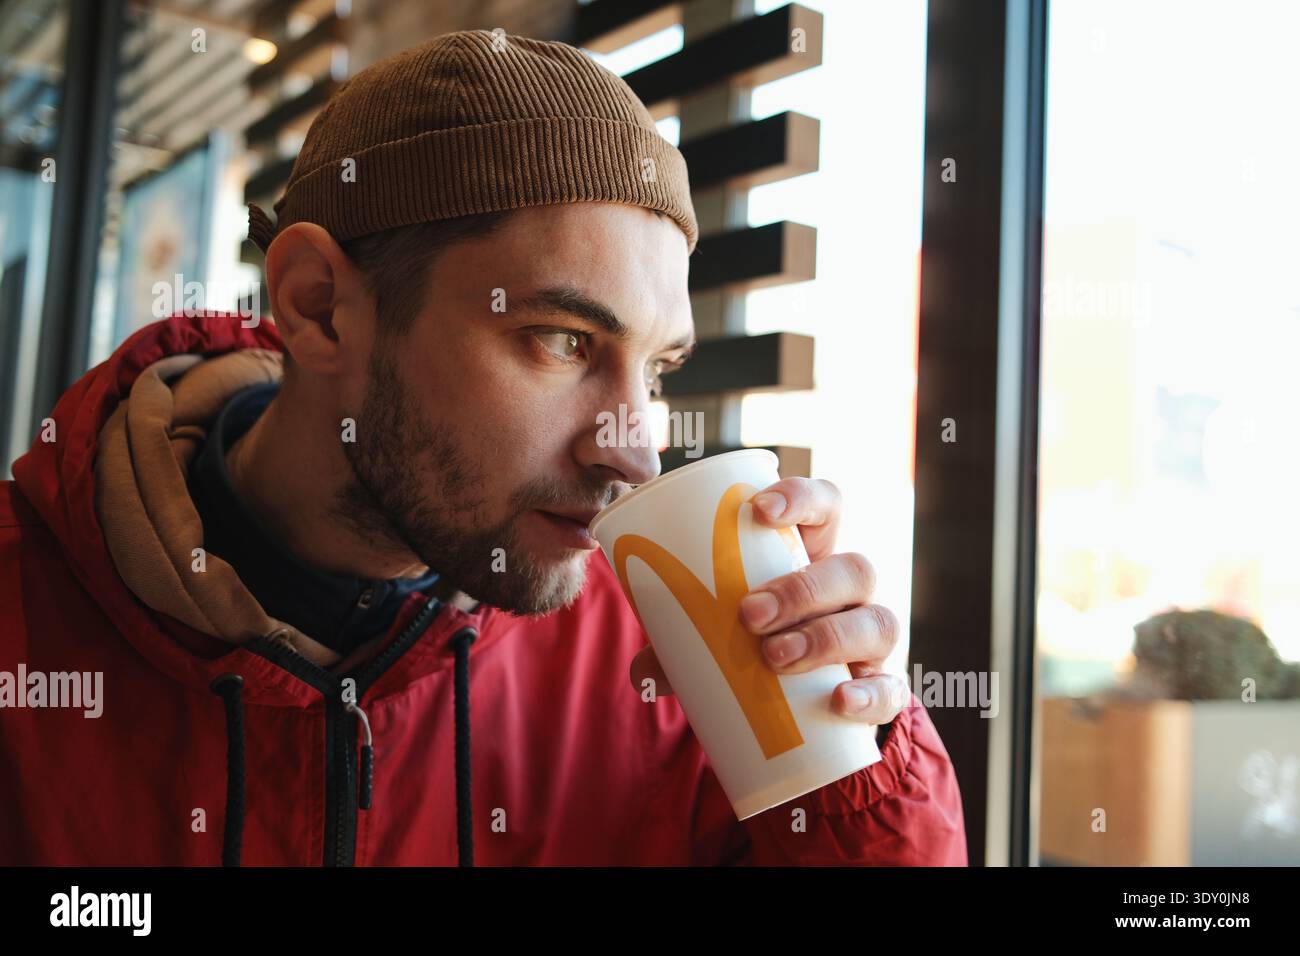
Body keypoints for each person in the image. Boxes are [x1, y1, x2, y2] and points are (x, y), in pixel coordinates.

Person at [0, 30, 966, 866]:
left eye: (658, 369)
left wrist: (856, 758)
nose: (635, 453)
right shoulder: (25, 624)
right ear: (318, 307)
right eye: (562, 340)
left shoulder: (662, 667)